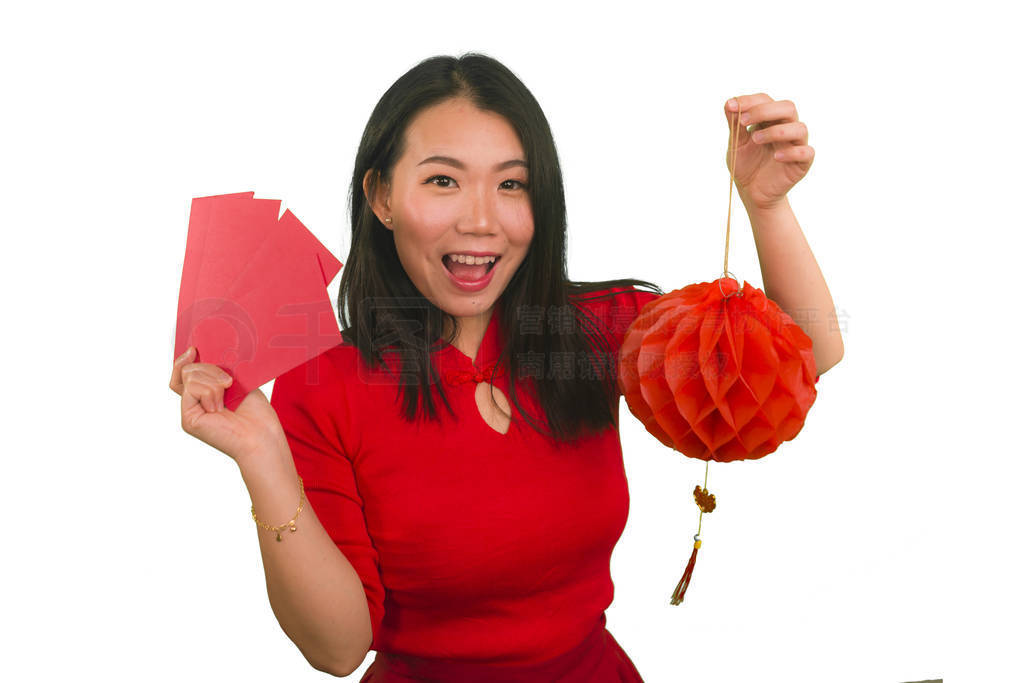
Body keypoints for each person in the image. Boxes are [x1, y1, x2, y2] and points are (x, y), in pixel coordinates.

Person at [169, 53, 843, 681]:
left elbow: (807, 353)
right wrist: (262, 458)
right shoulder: (326, 385)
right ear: (380, 197)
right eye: (443, 181)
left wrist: (766, 205)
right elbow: (339, 650)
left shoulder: (597, 327)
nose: (483, 220)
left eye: (512, 184)